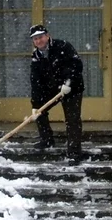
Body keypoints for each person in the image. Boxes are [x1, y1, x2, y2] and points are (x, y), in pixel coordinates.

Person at [29, 24, 85, 166]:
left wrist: (68, 82)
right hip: (53, 89)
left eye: (40, 37)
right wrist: (35, 105)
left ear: (47, 36)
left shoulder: (63, 46)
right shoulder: (36, 56)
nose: (38, 41)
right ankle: (46, 139)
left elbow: (76, 65)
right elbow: (35, 82)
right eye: (35, 39)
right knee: (40, 111)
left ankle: (74, 153)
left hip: (72, 88)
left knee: (72, 119)